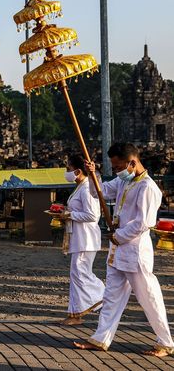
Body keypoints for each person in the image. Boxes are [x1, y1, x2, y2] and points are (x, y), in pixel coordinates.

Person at [73, 142, 173, 357]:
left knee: (149, 297)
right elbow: (99, 193)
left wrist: (119, 236)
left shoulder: (148, 187)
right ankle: (100, 339)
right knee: (112, 295)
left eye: (119, 167)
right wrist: (93, 175)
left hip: (135, 250)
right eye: (115, 168)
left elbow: (143, 223)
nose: (117, 171)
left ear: (132, 162)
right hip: (117, 250)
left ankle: (165, 342)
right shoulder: (124, 180)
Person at [58, 154, 104, 326]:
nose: (66, 172)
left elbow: (92, 215)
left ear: (77, 171)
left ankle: (106, 296)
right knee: (76, 273)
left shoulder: (86, 188)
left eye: (68, 168)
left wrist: (70, 214)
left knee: (81, 272)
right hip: (79, 236)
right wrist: (66, 212)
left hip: (87, 237)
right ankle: (75, 313)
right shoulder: (80, 187)